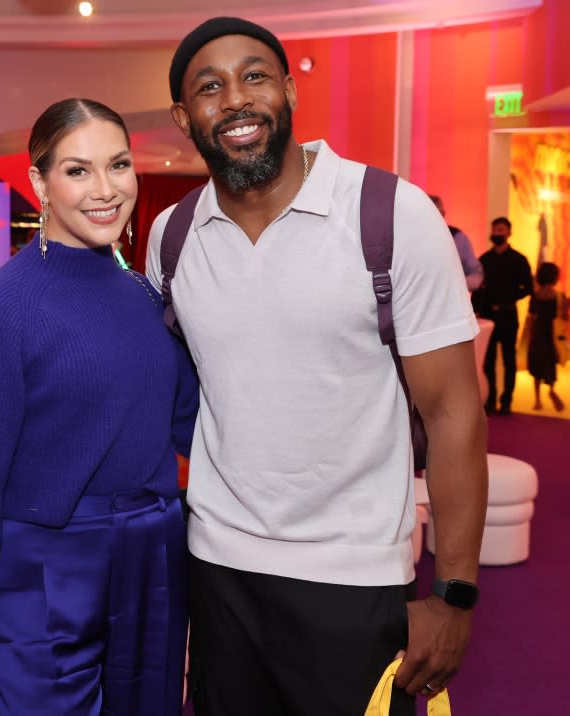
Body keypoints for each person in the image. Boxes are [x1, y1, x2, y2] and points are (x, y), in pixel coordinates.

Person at [145, 17, 487, 715]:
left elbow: (453, 412)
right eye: (209, 87)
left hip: (355, 575)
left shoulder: (391, 214)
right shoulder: (171, 237)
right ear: (185, 118)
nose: (235, 98)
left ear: (290, 91)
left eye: (255, 76)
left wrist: (454, 593)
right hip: (217, 570)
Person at [0, 98, 198, 716]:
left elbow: (195, 429)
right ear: (38, 182)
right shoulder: (0, 311)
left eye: (118, 165)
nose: (105, 189)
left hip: (150, 559)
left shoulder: (145, 296)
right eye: (77, 170)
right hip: (43, 581)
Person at [476, 216, 533, 415]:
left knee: (509, 359)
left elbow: (528, 288)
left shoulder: (519, 260)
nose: (497, 233)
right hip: (488, 315)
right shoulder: (484, 259)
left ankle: (507, 401)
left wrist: (510, 298)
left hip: (508, 315)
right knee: (488, 359)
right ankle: (490, 400)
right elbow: (478, 289)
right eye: (494, 230)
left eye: (501, 230)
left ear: (509, 233)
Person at [525, 261, 567, 411]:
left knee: (536, 368)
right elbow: (563, 316)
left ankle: (537, 400)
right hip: (552, 337)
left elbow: (531, 320)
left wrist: (530, 338)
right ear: (554, 277)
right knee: (550, 365)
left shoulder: (535, 296)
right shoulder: (559, 296)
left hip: (538, 335)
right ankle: (551, 389)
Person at [429, 195, 483, 290]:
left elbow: (475, 274)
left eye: (437, 212)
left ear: (443, 213)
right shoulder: (409, 237)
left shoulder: (458, 238)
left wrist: (453, 285)